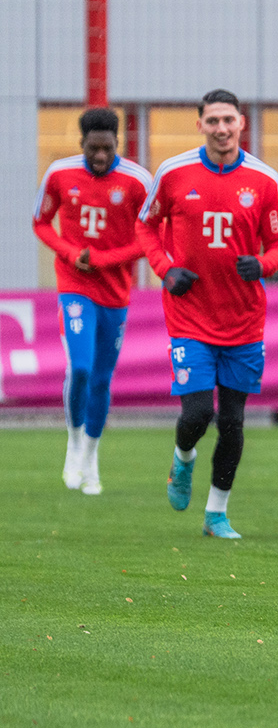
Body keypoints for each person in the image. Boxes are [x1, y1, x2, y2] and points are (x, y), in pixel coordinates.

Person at [137, 90, 278, 537]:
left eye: (229, 121)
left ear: (242, 123)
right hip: (189, 317)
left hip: (243, 320)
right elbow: (145, 225)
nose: (222, 129)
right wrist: (165, 270)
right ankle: (183, 459)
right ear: (199, 123)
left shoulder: (264, 180)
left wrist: (262, 265)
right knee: (198, 413)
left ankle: (216, 513)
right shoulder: (174, 172)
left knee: (234, 421)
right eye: (213, 120)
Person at [33, 107, 151, 494]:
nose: (99, 156)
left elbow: (151, 237)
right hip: (74, 285)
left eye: (107, 148)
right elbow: (40, 222)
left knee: (102, 378)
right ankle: (73, 442)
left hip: (115, 291)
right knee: (79, 368)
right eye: (92, 149)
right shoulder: (60, 175)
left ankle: (92, 456)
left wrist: (106, 260)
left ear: (118, 143)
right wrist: (70, 254)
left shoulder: (136, 181)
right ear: (81, 144)